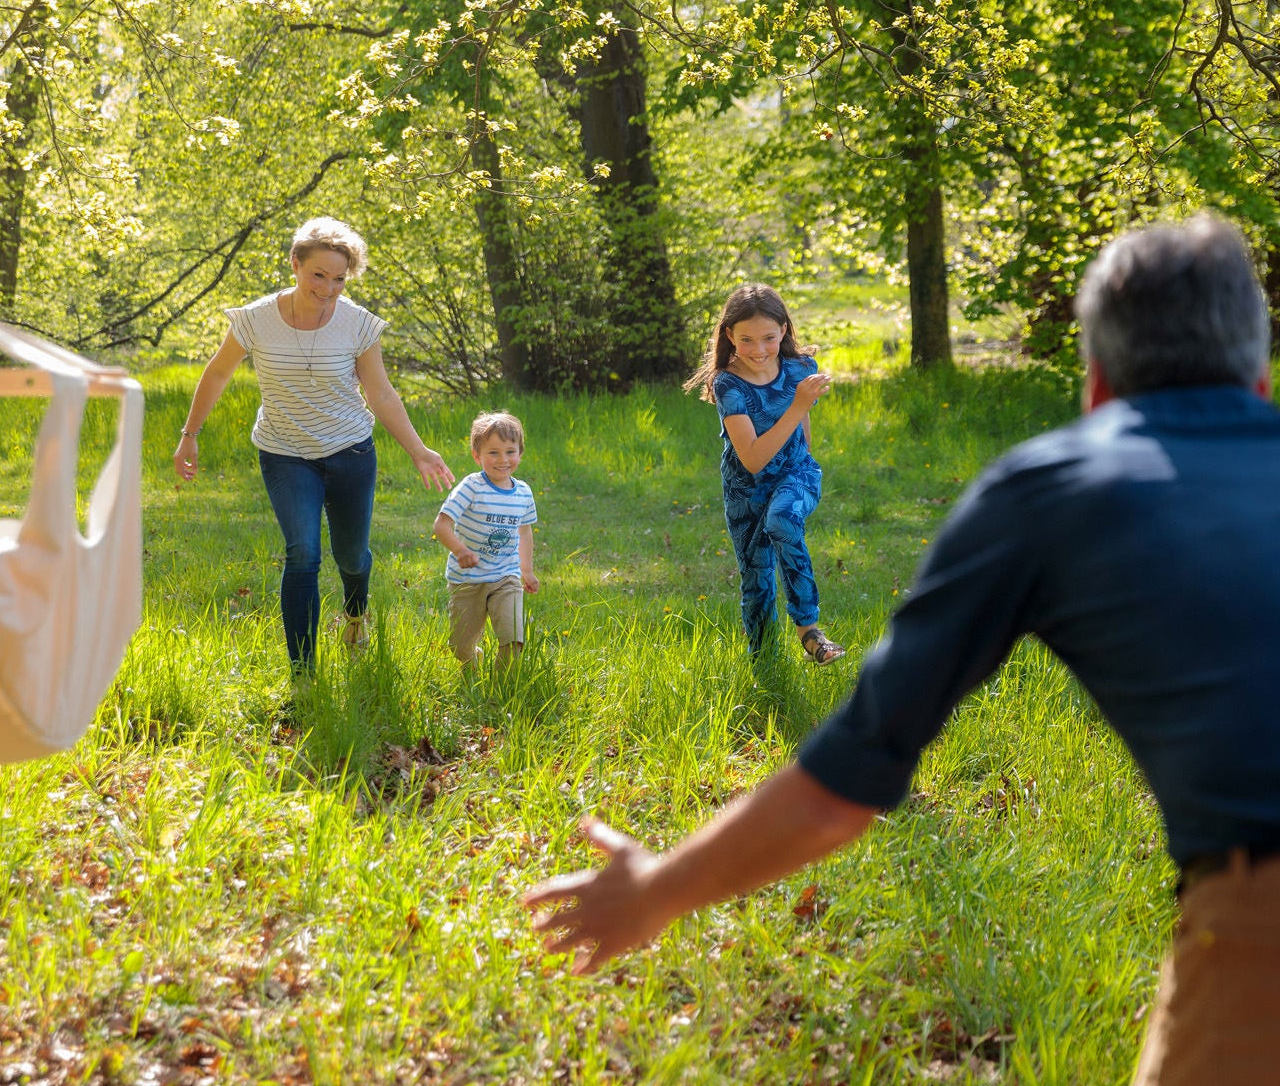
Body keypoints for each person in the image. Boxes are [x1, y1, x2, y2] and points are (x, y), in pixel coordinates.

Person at [525, 214, 1280, 1086]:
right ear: (1259, 374)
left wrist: (656, 890)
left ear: (1098, 380)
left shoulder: (1052, 489)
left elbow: (847, 783)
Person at [173, 217, 455, 675]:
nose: (328, 288)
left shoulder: (358, 324)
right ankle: (303, 674)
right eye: (318, 275)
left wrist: (419, 450)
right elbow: (219, 371)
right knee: (302, 552)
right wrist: (190, 434)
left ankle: (356, 613)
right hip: (284, 454)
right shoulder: (256, 319)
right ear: (295, 265)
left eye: (339, 278)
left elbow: (380, 393)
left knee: (352, 556)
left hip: (350, 453)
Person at [683, 283, 845, 664]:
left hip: (795, 473)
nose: (759, 350)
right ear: (729, 336)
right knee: (756, 578)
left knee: (783, 522)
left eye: (769, 338)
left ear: (784, 330)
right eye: (747, 340)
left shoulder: (799, 369)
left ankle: (810, 631)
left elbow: (803, 430)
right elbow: (753, 459)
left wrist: (802, 463)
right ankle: (765, 664)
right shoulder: (728, 384)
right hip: (746, 488)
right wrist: (799, 404)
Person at [432, 410, 539, 671]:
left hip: (506, 575)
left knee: (513, 638)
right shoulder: (471, 486)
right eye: (493, 452)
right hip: (468, 579)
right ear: (477, 455)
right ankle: (473, 660)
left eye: (510, 452)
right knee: (460, 646)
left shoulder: (523, 492)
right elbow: (442, 525)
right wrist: (460, 550)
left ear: (520, 454)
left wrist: (526, 570)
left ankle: (501, 691)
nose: (503, 459)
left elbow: (524, 532)